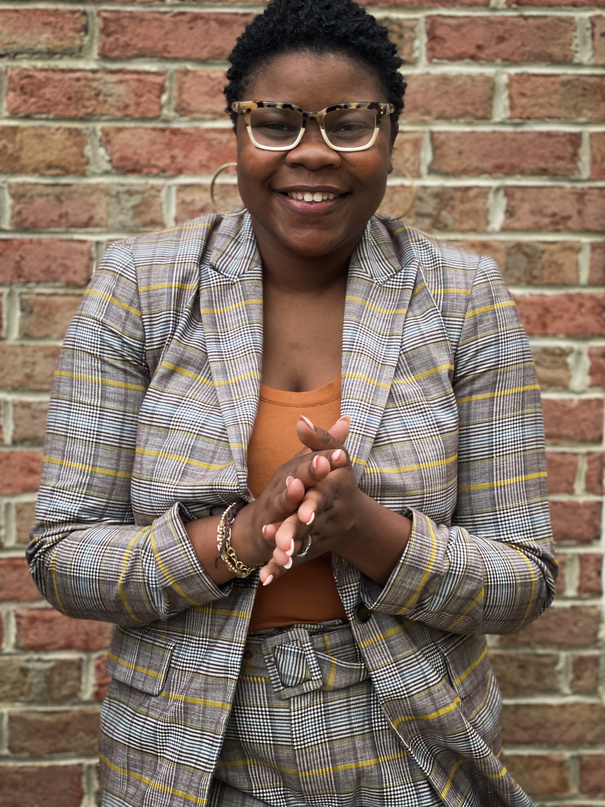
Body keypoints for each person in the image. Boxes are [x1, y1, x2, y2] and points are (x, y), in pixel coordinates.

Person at [28, 0, 557, 804]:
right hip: (185, 750)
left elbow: (523, 577)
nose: (312, 154)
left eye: (349, 125)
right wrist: (242, 535)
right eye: (275, 123)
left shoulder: (463, 298)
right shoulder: (140, 288)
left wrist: (366, 531)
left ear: (390, 136)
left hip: (408, 743)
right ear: (237, 132)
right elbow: (63, 556)